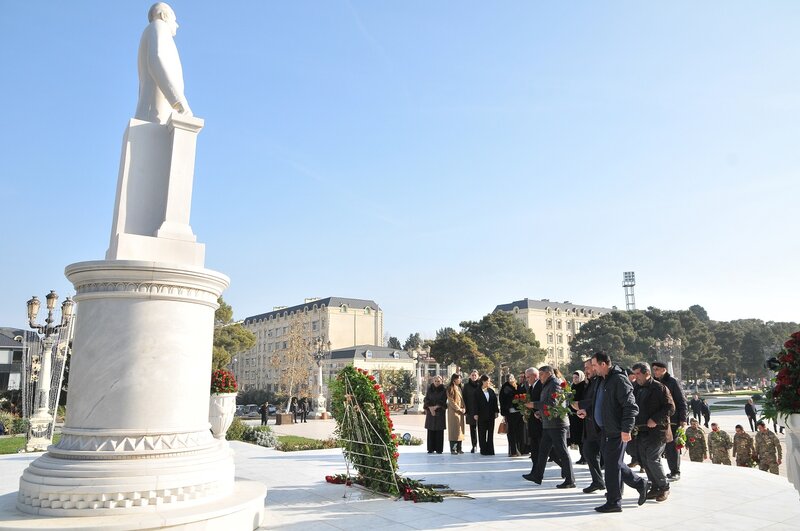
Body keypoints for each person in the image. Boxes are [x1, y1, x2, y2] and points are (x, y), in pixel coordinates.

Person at [590, 351, 649, 513]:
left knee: (611, 466)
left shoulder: (619, 380)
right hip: (604, 430)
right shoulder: (602, 380)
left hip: (616, 431)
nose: (593, 368)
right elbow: (600, 403)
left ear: (604, 364)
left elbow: (630, 407)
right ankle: (640, 483)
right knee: (614, 463)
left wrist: (626, 429)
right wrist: (586, 410)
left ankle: (614, 502)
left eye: (594, 365)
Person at [135, 2, 193, 124]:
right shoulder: (159, 26)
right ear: (164, 16)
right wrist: (179, 102)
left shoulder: (151, 31)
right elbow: (156, 60)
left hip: (153, 111)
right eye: (174, 19)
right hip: (156, 114)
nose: (177, 25)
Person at [524, 365, 576, 489]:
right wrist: (539, 412)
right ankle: (537, 475)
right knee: (543, 451)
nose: (539, 377)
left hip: (557, 424)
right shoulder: (548, 384)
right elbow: (547, 405)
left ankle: (570, 480)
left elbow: (552, 403)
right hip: (549, 423)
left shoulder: (555, 384)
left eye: (541, 374)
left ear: (548, 373)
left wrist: (534, 405)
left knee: (562, 452)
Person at [631, 362, 675, 502]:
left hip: (658, 431)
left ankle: (664, 487)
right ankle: (655, 487)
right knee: (645, 460)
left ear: (647, 373)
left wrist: (655, 419)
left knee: (652, 459)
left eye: (638, 373)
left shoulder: (659, 387)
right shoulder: (636, 388)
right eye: (635, 373)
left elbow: (670, 407)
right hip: (642, 430)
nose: (636, 376)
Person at [573, 358, 605, 494]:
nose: (586, 371)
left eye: (588, 367)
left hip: (601, 426)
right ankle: (598, 482)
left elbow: (597, 401)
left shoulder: (601, 381)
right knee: (589, 452)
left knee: (613, 462)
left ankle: (638, 483)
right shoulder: (591, 382)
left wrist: (581, 405)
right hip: (590, 425)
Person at [652, 361, 687, 481]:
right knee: (662, 447)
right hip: (659, 420)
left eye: (657, 369)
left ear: (664, 370)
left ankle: (675, 471)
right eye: (654, 369)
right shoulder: (654, 383)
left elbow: (681, 401)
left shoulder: (672, 382)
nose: (654, 371)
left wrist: (683, 419)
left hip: (672, 420)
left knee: (672, 447)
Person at [499, 374, 525, 457]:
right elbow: (502, 400)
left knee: (519, 432)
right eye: (508, 378)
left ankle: (520, 450)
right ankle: (513, 451)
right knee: (511, 432)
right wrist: (504, 413)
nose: (510, 379)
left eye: (511, 378)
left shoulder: (518, 386)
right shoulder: (505, 387)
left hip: (519, 412)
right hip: (510, 413)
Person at [523, 367, 544, 467]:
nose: (526, 380)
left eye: (528, 377)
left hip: (540, 422)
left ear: (535, 376)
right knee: (535, 448)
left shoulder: (541, 385)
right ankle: (535, 471)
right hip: (533, 422)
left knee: (547, 449)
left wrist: (537, 409)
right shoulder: (531, 386)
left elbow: (544, 402)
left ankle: (565, 467)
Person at [473, 374, 499, 455]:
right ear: (483, 381)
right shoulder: (477, 391)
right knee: (482, 433)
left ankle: (490, 450)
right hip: (481, 415)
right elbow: (474, 403)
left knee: (490, 433)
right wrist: (475, 413)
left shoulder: (491, 391)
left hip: (491, 415)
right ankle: (483, 450)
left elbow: (495, 402)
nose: (489, 382)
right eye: (487, 381)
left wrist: (496, 411)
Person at [424, 376, 447, 454]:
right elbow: (426, 399)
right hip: (430, 413)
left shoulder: (444, 390)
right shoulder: (430, 389)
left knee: (439, 431)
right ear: (433, 381)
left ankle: (439, 449)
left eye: (438, 381)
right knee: (430, 430)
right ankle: (430, 448)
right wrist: (430, 408)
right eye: (435, 381)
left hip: (440, 412)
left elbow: (443, 401)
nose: (437, 382)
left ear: (441, 381)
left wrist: (435, 407)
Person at [570, 370, 587, 464]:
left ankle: (585, 457)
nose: (575, 379)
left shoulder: (583, 386)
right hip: (574, 415)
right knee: (578, 437)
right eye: (573, 378)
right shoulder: (573, 386)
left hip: (581, 415)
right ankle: (582, 456)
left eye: (576, 377)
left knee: (582, 437)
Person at [446, 373, 466, 454]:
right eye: (459, 378)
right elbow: (451, 401)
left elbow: (462, 400)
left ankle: (459, 448)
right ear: (454, 379)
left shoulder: (459, 388)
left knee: (460, 431)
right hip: (454, 412)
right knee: (454, 431)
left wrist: (464, 408)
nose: (460, 380)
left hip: (460, 412)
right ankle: (453, 449)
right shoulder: (450, 388)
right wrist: (459, 409)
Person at [462, 370, 482, 453]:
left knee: (481, 429)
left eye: (475, 375)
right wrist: (465, 410)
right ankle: (474, 446)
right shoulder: (466, 386)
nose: (474, 377)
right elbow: (464, 398)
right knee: (472, 429)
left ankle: (482, 446)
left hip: (480, 410)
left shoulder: (481, 385)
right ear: (470, 376)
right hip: (470, 410)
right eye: (472, 375)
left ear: (478, 376)